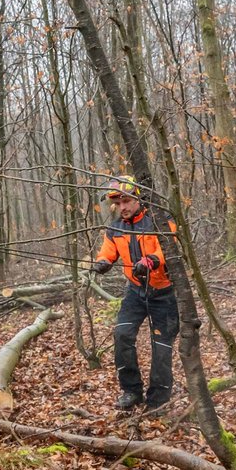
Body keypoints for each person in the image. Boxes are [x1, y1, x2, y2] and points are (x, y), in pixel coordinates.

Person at [89, 175, 179, 412]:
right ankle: (131, 390)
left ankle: (158, 399)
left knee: (161, 346)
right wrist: (102, 263)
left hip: (164, 293)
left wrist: (151, 261)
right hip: (136, 293)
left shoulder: (160, 219)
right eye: (118, 203)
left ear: (138, 198)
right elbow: (107, 253)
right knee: (122, 335)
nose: (123, 207)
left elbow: (169, 248)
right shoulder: (115, 227)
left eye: (126, 201)